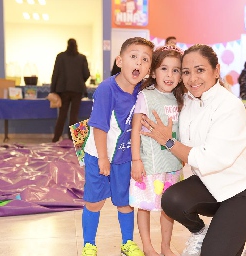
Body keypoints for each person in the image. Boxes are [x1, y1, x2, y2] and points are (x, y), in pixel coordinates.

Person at [140, 44, 246, 256]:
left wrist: (168, 142)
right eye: (187, 72)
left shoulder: (229, 106)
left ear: (216, 71)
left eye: (200, 70)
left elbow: (208, 159)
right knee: (172, 199)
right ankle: (201, 232)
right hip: (211, 187)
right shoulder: (188, 101)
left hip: (243, 193)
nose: (192, 79)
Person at [81, 37, 154, 256]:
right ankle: (89, 244)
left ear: (149, 68)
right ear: (120, 61)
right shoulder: (106, 89)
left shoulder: (143, 92)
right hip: (98, 155)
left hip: (123, 158)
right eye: (133, 57)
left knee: (125, 202)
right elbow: (99, 126)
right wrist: (103, 158)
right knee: (95, 202)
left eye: (145, 59)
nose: (138, 63)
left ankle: (127, 243)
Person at [130, 45, 185, 256]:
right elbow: (136, 130)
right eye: (164, 69)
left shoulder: (179, 99)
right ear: (153, 72)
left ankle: (165, 246)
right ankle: (147, 245)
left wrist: (182, 157)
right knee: (144, 205)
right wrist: (136, 160)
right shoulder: (146, 96)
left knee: (168, 207)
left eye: (175, 70)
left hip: (172, 164)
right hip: (149, 164)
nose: (169, 75)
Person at [50, 38, 90, 142]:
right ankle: (75, 139)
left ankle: (55, 138)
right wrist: (80, 81)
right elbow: (87, 74)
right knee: (74, 115)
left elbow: (55, 74)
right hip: (77, 90)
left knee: (62, 115)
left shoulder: (60, 57)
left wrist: (53, 90)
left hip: (63, 90)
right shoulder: (82, 58)